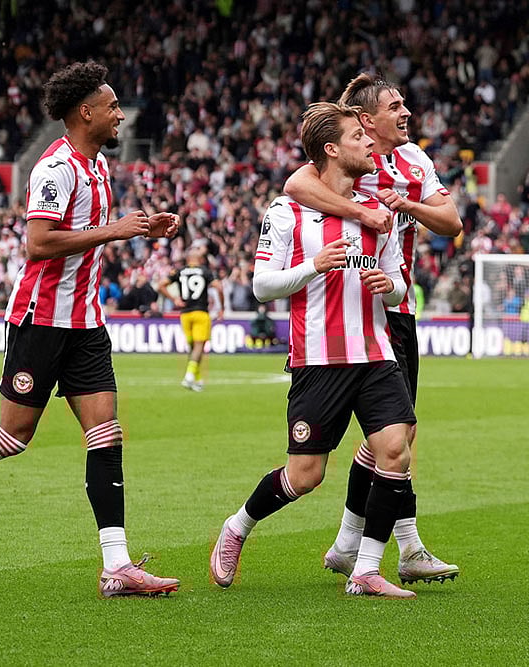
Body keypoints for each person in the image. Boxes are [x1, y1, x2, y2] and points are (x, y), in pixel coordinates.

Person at [0, 61, 181, 597]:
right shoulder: (55, 168)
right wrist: (112, 231)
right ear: (84, 112)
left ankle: (116, 565)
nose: (120, 115)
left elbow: (85, 236)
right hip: (41, 319)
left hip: (85, 322)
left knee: (105, 431)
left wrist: (141, 229)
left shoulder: (98, 168)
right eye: (112, 107)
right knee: (11, 437)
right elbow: (38, 244)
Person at [210, 102, 419, 599]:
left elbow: (400, 286)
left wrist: (386, 284)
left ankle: (366, 570)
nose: (370, 142)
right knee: (305, 476)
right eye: (357, 137)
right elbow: (262, 286)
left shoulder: (379, 214)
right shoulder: (287, 212)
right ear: (332, 150)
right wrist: (313, 266)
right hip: (318, 361)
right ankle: (238, 526)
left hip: (374, 354)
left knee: (395, 449)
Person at [284, 73, 462, 584]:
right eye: (396, 105)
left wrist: (408, 207)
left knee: (397, 434)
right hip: (346, 313)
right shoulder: (349, 161)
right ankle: (402, 549)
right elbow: (295, 184)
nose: (407, 112)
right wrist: (364, 211)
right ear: (366, 120)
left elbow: (451, 222)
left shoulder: (414, 161)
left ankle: (349, 544)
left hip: (395, 306)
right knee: (391, 438)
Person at [158, 249, 223, 391]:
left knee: (193, 348)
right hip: (201, 312)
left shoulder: (179, 271)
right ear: (199, 259)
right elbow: (219, 287)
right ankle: (189, 376)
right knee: (199, 346)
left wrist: (174, 299)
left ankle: (197, 379)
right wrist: (221, 307)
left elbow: (161, 285)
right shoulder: (205, 271)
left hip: (185, 314)